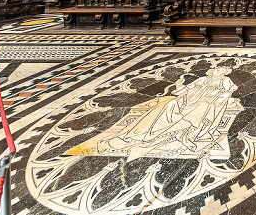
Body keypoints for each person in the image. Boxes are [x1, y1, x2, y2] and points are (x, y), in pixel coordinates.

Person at [95, 67, 242, 161]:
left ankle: (181, 135)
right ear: (211, 71)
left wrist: (212, 96)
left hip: (207, 104)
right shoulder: (202, 79)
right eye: (217, 70)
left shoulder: (226, 81)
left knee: (199, 110)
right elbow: (186, 90)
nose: (218, 72)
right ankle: (145, 134)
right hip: (189, 101)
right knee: (171, 104)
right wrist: (180, 84)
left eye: (222, 71)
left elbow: (226, 94)